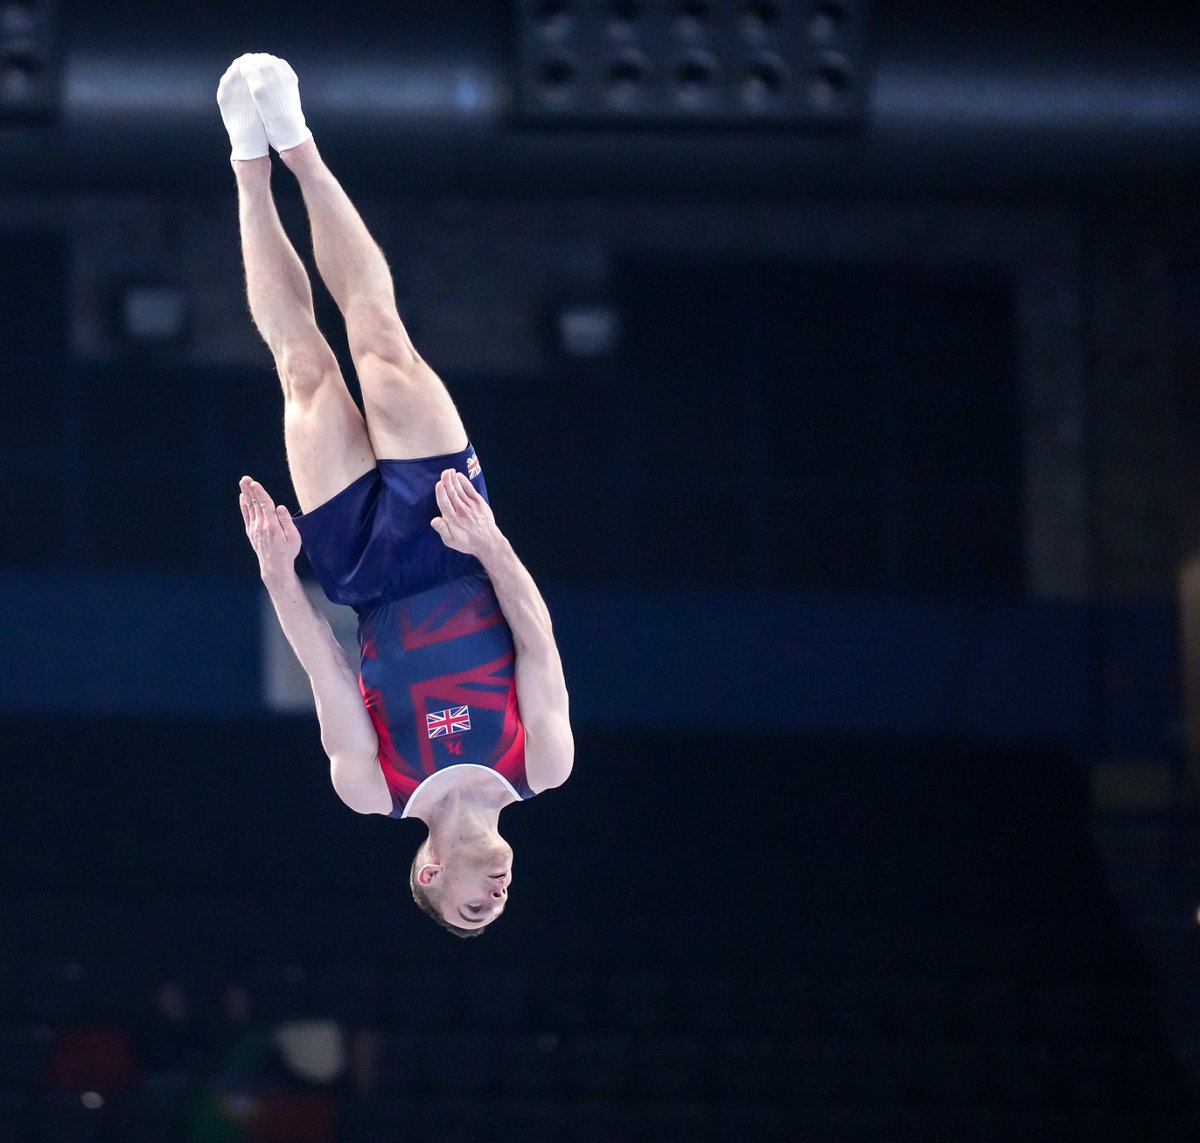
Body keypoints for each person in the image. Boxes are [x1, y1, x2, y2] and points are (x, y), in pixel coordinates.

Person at [216, 53, 573, 937]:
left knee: (304, 368)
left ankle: (249, 165)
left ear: (430, 871)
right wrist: (490, 542)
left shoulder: (373, 788)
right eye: (498, 907)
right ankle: (299, 146)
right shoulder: (542, 764)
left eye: (471, 908)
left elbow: (326, 669)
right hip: (456, 545)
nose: (495, 898)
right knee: (380, 342)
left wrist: (278, 573)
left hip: (361, 573)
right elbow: (537, 634)